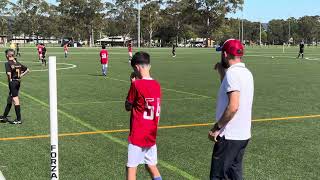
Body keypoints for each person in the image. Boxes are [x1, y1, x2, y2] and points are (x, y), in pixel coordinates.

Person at [208, 39, 254, 180]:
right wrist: (222, 73)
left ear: (225, 54)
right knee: (234, 175)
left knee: (218, 176)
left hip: (229, 136)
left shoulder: (233, 74)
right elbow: (229, 90)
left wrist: (217, 127)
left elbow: (233, 106)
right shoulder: (246, 73)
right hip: (242, 135)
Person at [125, 52, 162, 180]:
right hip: (151, 133)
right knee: (151, 166)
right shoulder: (157, 85)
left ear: (136, 68)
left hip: (138, 133)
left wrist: (132, 83)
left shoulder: (137, 85)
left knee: (131, 168)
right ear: (149, 66)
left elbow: (128, 106)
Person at [0, 49, 30, 124]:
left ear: (7, 55)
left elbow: (9, 73)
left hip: (13, 82)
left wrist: (10, 80)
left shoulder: (8, 63)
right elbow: (27, 70)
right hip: (17, 82)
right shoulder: (17, 63)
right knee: (9, 98)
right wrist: (20, 76)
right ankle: (4, 116)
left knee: (15, 99)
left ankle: (18, 119)